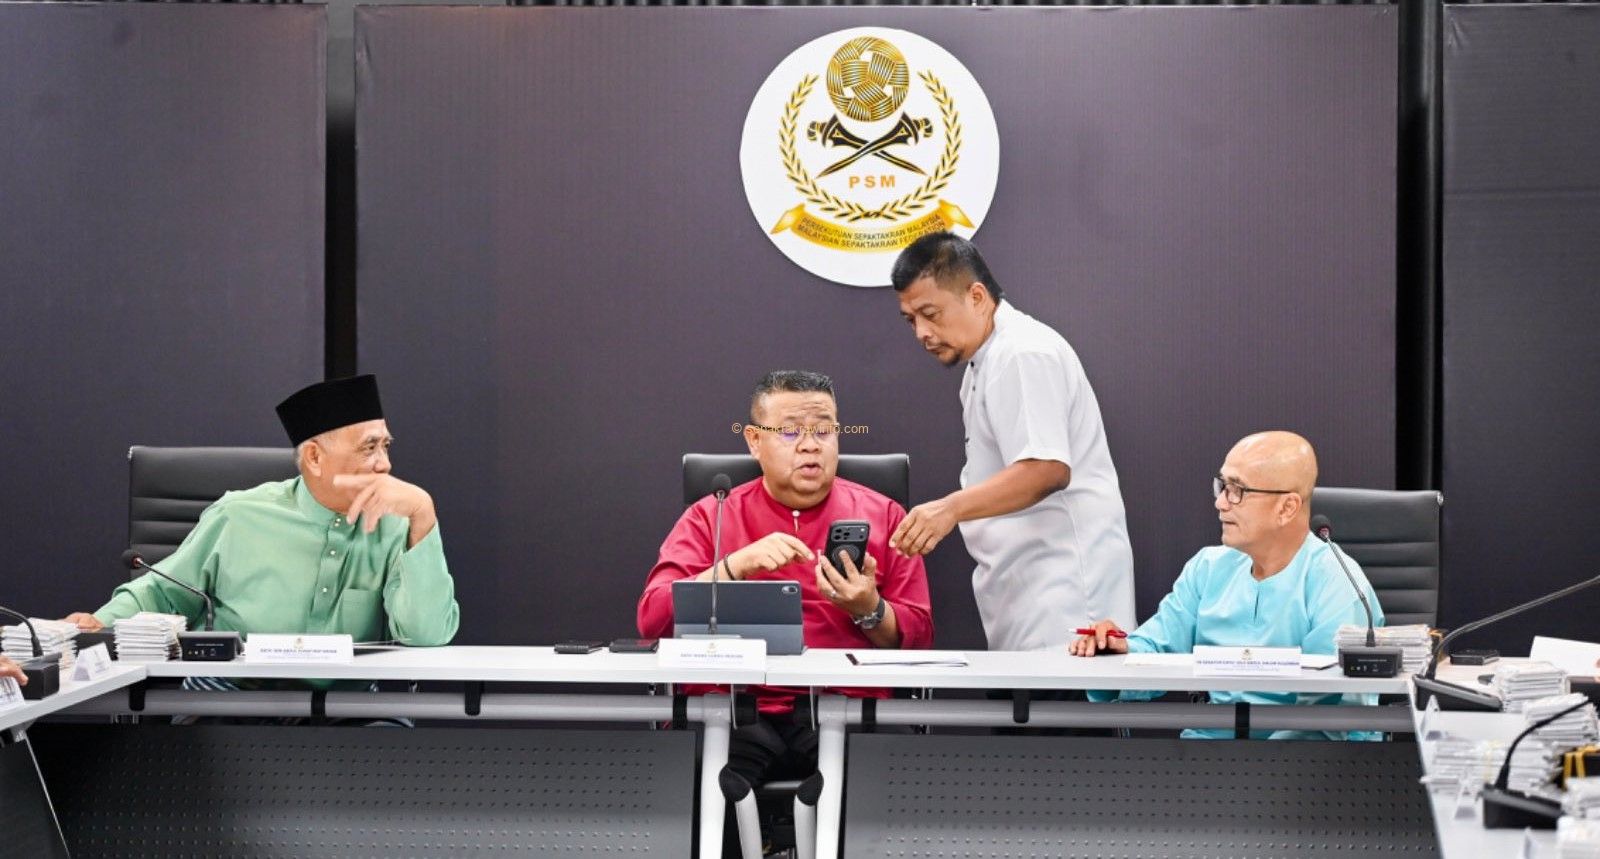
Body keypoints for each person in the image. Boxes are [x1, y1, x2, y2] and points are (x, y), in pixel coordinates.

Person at [637, 370, 933, 853]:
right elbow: (652, 618)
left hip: (847, 710)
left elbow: (918, 636)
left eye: (824, 430)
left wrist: (868, 608)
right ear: (755, 441)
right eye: (792, 432)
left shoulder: (884, 516)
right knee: (694, 795)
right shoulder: (712, 516)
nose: (811, 446)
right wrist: (733, 566)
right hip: (733, 711)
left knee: (882, 794)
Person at [65, 375, 459, 647]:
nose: (385, 464)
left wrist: (423, 513)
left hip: (349, 712)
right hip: (237, 703)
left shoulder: (396, 525)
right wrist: (101, 622)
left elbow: (427, 636)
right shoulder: (238, 515)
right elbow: (162, 593)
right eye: (369, 448)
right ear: (314, 458)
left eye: (385, 446)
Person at [888, 232, 1134, 652]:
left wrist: (950, 509)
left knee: (1065, 699)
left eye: (930, 314)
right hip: (1022, 589)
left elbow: (1046, 469)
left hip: (1065, 595)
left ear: (977, 297)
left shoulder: (1023, 353)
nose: (922, 333)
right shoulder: (985, 363)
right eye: (911, 320)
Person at [1071, 431, 1385, 740]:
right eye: (1222, 486)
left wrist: (1257, 768)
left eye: (1237, 490)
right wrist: (1117, 648)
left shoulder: (1337, 583)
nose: (1220, 502)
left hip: (1304, 761)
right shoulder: (1208, 568)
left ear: (1287, 508)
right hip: (1210, 750)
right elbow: (1156, 648)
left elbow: (1331, 710)